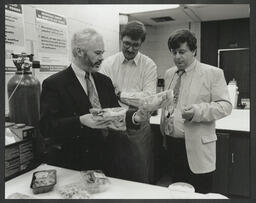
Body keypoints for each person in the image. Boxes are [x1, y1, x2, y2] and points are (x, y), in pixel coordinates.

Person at [39, 28, 148, 171]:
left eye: (102, 52)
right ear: (79, 52)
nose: (102, 58)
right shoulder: (55, 84)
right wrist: (80, 121)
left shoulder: (104, 81)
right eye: (97, 53)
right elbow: (47, 127)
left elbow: (115, 112)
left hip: (108, 159)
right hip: (75, 163)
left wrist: (135, 117)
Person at [160, 29, 232, 193]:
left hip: (198, 147)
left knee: (200, 193)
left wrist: (197, 112)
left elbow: (225, 106)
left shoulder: (212, 73)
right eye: (174, 52)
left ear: (194, 50)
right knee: (177, 192)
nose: (177, 57)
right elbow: (169, 103)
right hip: (172, 144)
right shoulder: (170, 73)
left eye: (182, 52)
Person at [100, 21, 157, 183]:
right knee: (113, 174)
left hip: (138, 128)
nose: (130, 49)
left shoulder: (148, 65)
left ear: (141, 44)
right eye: (126, 44)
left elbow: (148, 99)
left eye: (135, 45)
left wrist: (120, 94)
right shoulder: (108, 64)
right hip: (112, 125)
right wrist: (131, 97)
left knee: (139, 174)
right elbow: (104, 97)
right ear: (121, 40)